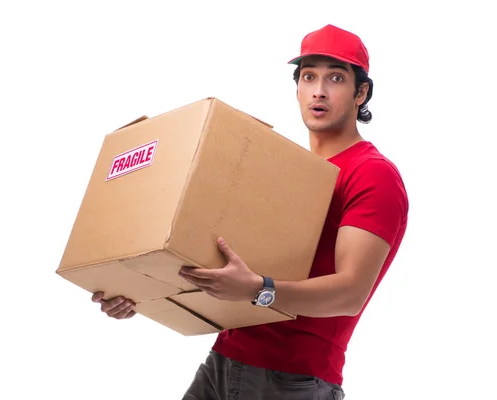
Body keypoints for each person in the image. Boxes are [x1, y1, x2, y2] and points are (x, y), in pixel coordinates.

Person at [92, 24, 409, 400]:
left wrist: (259, 289)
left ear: (361, 92)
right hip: (224, 360)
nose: (319, 90)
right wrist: (139, 293)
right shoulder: (291, 172)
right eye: (309, 77)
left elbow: (350, 292)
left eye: (335, 78)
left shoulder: (372, 174)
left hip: (291, 378)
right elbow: (227, 266)